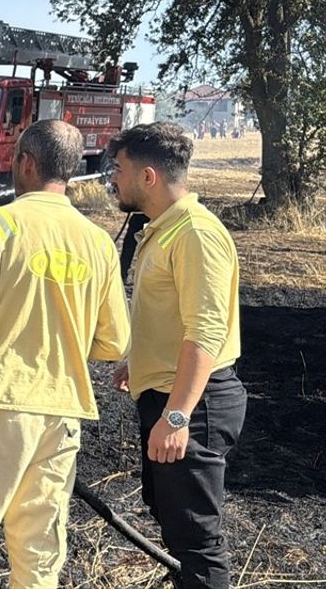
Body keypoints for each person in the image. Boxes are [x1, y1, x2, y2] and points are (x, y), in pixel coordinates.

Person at [0, 119, 130, 589]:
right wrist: (67, 343)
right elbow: (115, 343)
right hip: (60, 416)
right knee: (38, 556)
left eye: (17, 157)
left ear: (27, 163)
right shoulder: (97, 242)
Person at [108, 122, 246, 589]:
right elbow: (172, 315)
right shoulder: (164, 230)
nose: (113, 178)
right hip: (172, 394)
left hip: (195, 403)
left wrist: (179, 416)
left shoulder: (195, 234)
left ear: (148, 177)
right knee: (178, 527)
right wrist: (140, 359)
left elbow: (206, 331)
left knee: (198, 541)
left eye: (119, 169)